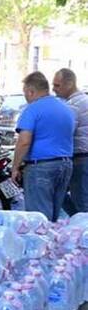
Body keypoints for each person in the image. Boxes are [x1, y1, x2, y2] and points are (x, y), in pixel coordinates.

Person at [11, 72, 76, 222]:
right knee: (54, 214)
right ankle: (53, 243)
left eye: (25, 93)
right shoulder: (65, 108)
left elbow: (24, 141)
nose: (26, 98)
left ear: (30, 91)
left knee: (39, 218)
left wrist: (15, 167)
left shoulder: (32, 109)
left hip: (41, 167)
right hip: (65, 164)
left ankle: (40, 245)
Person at [53, 68, 88, 214]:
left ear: (70, 84)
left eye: (57, 85)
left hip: (80, 157)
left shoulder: (73, 105)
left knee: (80, 201)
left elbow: (65, 132)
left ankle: (83, 231)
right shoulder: (83, 100)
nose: (54, 90)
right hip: (82, 156)